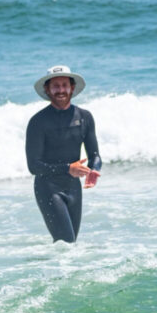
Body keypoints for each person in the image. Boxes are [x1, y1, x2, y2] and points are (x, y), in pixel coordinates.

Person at [26, 65, 102, 243]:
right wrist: (68, 168)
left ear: (72, 88)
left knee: (70, 244)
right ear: (47, 89)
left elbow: (95, 154)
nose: (61, 90)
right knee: (66, 242)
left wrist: (94, 169)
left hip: (73, 188)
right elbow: (33, 166)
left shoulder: (85, 117)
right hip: (48, 189)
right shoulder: (38, 122)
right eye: (55, 86)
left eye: (64, 85)